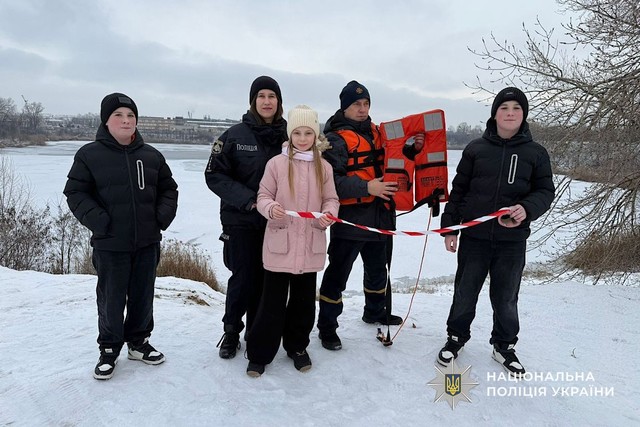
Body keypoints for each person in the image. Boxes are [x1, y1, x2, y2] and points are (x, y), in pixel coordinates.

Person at [436, 87, 555, 376]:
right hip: (474, 238)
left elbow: (545, 191)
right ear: (495, 114)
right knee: (465, 292)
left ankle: (504, 346)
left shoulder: (536, 153)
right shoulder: (476, 149)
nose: (510, 113)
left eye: (516, 108)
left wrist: (527, 208)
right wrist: (450, 229)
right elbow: (459, 191)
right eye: (504, 108)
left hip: (511, 241)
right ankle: (456, 337)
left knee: (506, 297)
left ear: (524, 114)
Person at [64, 92, 179, 380]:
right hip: (110, 243)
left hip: (147, 241)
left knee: (143, 295)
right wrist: (100, 222)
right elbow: (75, 192)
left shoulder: (151, 155)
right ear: (106, 121)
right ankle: (109, 348)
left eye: (130, 115)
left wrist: (160, 218)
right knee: (111, 299)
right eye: (118, 115)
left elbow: (169, 188)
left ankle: (138, 343)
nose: (126, 120)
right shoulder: (89, 155)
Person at [317, 81, 424, 351]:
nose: (362, 109)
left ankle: (375, 311)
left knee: (378, 270)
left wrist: (412, 149)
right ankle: (327, 327)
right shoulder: (335, 139)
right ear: (345, 107)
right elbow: (331, 182)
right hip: (350, 218)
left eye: (366, 104)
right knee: (338, 275)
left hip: (381, 215)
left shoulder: (379, 133)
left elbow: (394, 159)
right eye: (356, 104)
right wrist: (367, 187)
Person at [245, 105, 339, 377]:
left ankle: (297, 347)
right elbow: (263, 195)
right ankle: (260, 353)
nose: (302, 138)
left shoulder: (324, 167)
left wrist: (328, 215)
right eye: (297, 132)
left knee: (303, 304)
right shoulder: (276, 164)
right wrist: (270, 208)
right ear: (290, 134)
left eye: (308, 133)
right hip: (280, 245)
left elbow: (331, 199)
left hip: (309, 246)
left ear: (315, 135)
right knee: (271, 304)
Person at [205, 76, 288, 359]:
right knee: (243, 278)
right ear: (253, 101)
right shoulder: (233, 136)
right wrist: (250, 201)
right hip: (241, 219)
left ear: (279, 102)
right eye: (261, 96)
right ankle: (231, 331)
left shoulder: (289, 137)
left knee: (269, 280)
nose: (266, 101)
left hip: (276, 221)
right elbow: (214, 175)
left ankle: (258, 330)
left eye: (272, 96)